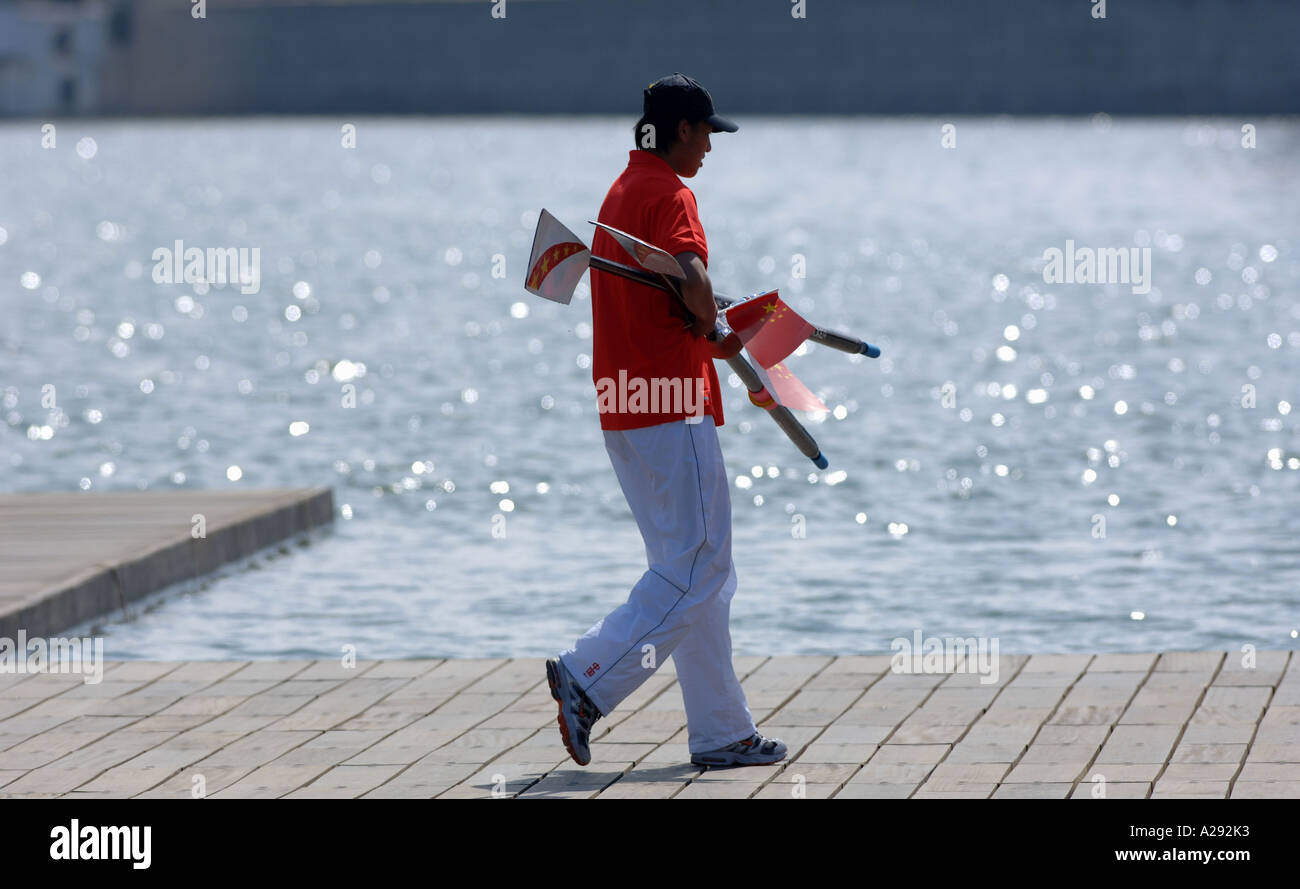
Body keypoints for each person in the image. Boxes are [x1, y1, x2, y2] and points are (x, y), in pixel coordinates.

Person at [545, 73, 788, 769]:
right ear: (682, 129)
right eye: (707, 132)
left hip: (624, 406)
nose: (711, 146)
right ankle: (586, 676)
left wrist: (702, 320)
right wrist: (711, 320)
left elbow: (674, 297)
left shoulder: (622, 191)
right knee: (697, 569)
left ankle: (721, 731)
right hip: (670, 405)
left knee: (695, 570)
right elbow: (691, 277)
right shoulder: (672, 194)